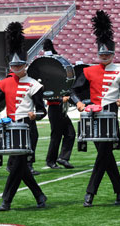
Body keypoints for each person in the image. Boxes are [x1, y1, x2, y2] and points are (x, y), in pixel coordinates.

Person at [70, 10, 120, 207]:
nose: (104, 56)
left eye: (107, 53)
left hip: (111, 116)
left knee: (103, 155)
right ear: (98, 53)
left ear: (113, 54)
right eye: (101, 53)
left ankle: (90, 193)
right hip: (93, 117)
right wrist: (78, 103)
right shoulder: (88, 71)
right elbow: (74, 91)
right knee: (105, 155)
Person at [0, 22, 47, 211]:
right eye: (13, 65)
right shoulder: (4, 83)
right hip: (11, 129)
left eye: (19, 65)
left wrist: (34, 115)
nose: (16, 68)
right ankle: (39, 195)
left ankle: (6, 200)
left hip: (28, 128)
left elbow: (42, 111)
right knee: (19, 166)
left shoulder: (34, 85)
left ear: (25, 65)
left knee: (16, 165)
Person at [42, 39, 75, 169]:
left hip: (60, 109)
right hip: (54, 108)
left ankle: (63, 158)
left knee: (70, 133)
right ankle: (51, 161)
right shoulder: (45, 76)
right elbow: (47, 95)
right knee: (56, 135)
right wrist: (61, 100)